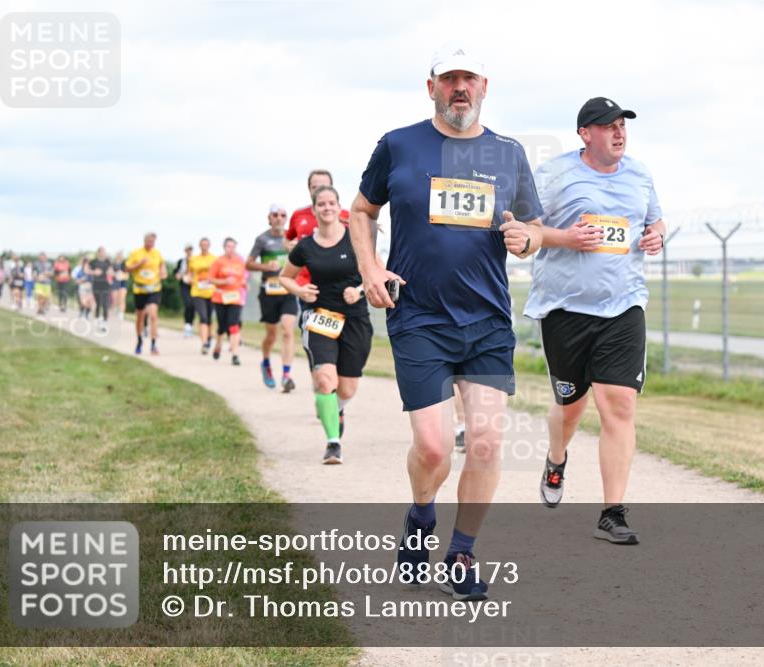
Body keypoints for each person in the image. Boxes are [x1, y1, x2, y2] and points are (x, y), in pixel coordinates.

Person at [350, 45, 544, 601]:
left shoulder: (508, 153)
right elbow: (362, 210)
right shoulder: (398, 144)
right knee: (434, 448)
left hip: (486, 318)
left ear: (485, 86)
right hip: (418, 315)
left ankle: (461, 552)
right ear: (430, 87)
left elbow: (530, 227)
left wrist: (526, 238)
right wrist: (370, 268)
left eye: (468, 79)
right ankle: (420, 516)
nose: (459, 88)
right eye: (448, 79)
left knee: (484, 441)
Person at [523, 96, 665, 545]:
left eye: (622, 125)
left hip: (623, 306)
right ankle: (557, 456)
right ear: (586, 133)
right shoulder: (554, 174)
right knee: (571, 407)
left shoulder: (640, 175)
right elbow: (527, 231)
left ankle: (612, 512)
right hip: (565, 309)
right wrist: (565, 237)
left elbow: (657, 222)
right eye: (607, 126)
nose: (618, 132)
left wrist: (656, 236)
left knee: (619, 404)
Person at [279, 186, 371, 463]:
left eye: (332, 203)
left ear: (338, 206)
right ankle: (333, 443)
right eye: (322, 204)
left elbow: (374, 272)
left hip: (355, 317)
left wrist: (360, 290)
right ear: (315, 208)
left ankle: (337, 408)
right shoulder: (305, 245)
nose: (327, 208)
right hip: (319, 316)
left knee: (347, 389)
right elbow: (286, 277)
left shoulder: (356, 238)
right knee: (324, 380)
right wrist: (300, 291)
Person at [247, 204, 299, 392]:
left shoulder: (292, 239)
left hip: (288, 291)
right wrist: (265, 267)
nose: (279, 218)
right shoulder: (262, 239)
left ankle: (286, 375)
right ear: (269, 219)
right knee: (271, 334)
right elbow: (249, 264)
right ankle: (266, 363)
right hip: (268, 291)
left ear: (286, 219)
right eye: (275, 215)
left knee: (287, 330)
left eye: (283, 215)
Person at [286, 170, 352, 292]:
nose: (318, 191)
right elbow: (287, 240)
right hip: (306, 285)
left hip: (340, 284)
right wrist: (291, 249)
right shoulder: (298, 215)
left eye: (324, 187)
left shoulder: (345, 215)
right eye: (314, 187)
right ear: (309, 189)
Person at [125, 233, 167, 355]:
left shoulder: (157, 253)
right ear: (145, 241)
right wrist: (139, 264)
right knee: (140, 317)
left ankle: (154, 344)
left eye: (153, 241)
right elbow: (127, 269)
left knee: (153, 315)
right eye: (149, 241)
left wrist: (163, 272)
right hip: (140, 289)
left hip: (154, 288)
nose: (151, 243)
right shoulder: (136, 253)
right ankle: (139, 341)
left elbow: (162, 265)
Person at [209, 237, 246, 366]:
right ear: (224, 247)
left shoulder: (240, 262)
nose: (231, 249)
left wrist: (244, 283)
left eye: (233, 247)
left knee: (233, 324)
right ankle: (218, 344)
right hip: (220, 297)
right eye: (228, 246)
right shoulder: (218, 261)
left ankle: (235, 354)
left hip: (235, 297)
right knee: (222, 326)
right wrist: (224, 282)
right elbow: (210, 279)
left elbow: (243, 277)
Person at [188, 237, 217, 355]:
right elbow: (189, 273)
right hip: (197, 292)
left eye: (206, 244)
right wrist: (190, 279)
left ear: (209, 245)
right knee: (203, 316)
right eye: (202, 244)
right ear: (200, 246)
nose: (204, 246)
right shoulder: (194, 259)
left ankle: (209, 338)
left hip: (211, 292)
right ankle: (204, 343)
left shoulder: (214, 259)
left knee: (209, 317)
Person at [88, 247, 114, 332]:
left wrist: (110, 275)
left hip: (106, 285)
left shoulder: (108, 262)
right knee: (99, 303)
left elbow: (111, 271)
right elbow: (87, 270)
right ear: (98, 252)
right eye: (101, 252)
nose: (103, 253)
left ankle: (105, 322)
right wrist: (94, 272)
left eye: (104, 252)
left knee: (106, 304)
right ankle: (98, 318)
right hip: (96, 284)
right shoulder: (93, 262)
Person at [174, 244, 196, 337]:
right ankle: (187, 325)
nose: (189, 251)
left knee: (193, 305)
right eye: (187, 250)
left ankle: (190, 325)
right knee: (187, 304)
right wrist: (177, 275)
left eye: (190, 250)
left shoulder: (195, 260)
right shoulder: (181, 261)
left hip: (194, 285)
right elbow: (176, 272)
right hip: (184, 285)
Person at [112, 251, 129, 320]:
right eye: (119, 255)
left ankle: (121, 314)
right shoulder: (113, 264)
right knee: (115, 299)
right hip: (115, 283)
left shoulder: (125, 264)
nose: (120, 256)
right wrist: (115, 274)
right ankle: (115, 309)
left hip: (123, 283)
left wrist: (122, 276)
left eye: (121, 255)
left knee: (122, 299)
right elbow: (109, 273)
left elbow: (127, 276)